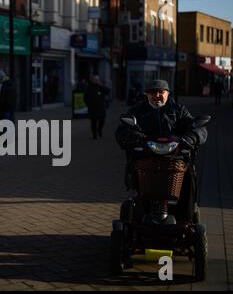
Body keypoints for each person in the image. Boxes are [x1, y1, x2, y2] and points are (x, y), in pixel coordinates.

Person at [115, 80, 208, 216]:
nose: (156, 95)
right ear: (147, 95)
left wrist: (191, 137)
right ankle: (140, 212)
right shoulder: (137, 111)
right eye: (152, 92)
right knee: (136, 174)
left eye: (161, 92)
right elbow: (122, 130)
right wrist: (137, 137)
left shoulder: (179, 110)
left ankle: (186, 219)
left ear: (168, 94)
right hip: (146, 157)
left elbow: (198, 127)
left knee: (188, 175)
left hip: (175, 158)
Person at [84, 75, 111, 140]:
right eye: (94, 79)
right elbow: (85, 97)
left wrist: (101, 85)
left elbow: (108, 91)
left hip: (101, 107)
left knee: (102, 120)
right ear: (92, 80)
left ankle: (99, 129)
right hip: (93, 108)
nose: (96, 80)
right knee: (93, 122)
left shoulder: (100, 87)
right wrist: (89, 105)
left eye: (97, 79)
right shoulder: (89, 87)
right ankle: (94, 135)